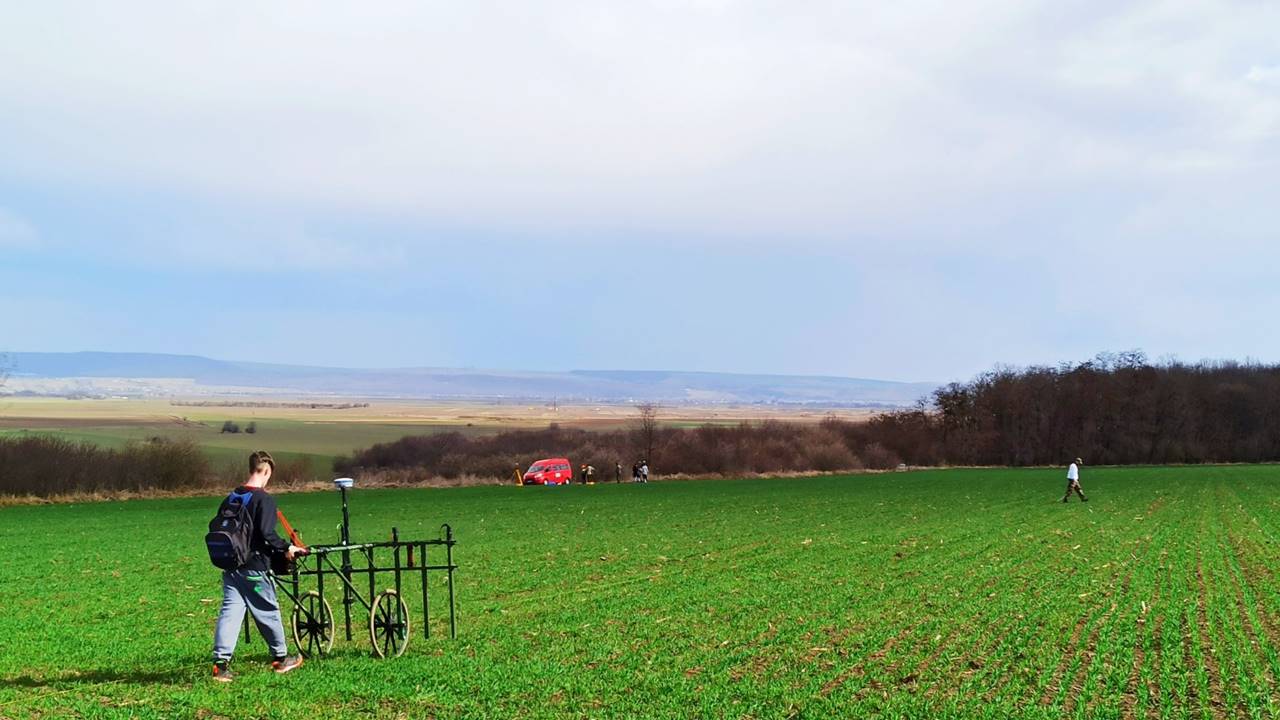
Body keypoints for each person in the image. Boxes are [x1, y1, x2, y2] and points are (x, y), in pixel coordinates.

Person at [212, 451, 308, 682]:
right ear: (266, 471)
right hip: (254, 567)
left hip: (231, 566)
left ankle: (220, 666)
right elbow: (267, 533)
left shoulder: (232, 496)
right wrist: (288, 547)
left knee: (230, 613)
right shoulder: (263, 499)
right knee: (268, 610)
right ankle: (281, 658)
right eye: (269, 476)